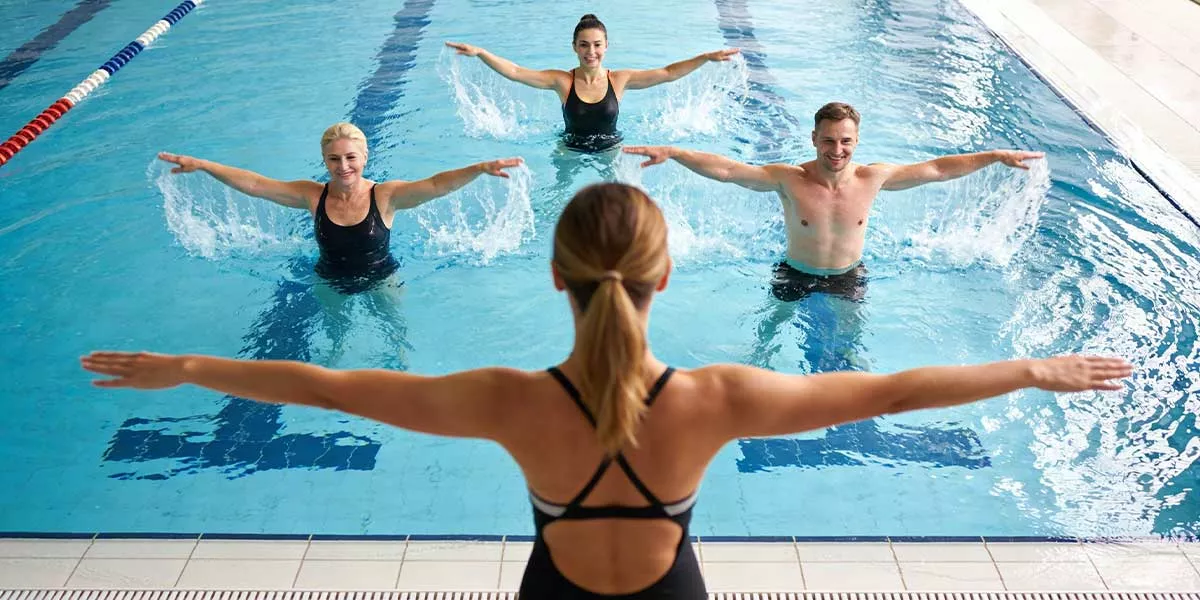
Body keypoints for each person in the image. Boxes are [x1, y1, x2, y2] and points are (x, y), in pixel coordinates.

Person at [82, 182, 1130, 599]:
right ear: (665, 278)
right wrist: (1032, 371)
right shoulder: (718, 397)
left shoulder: (506, 400)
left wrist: (185, 368)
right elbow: (890, 393)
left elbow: (334, 385)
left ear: (555, 275)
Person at [623, 101, 1045, 305]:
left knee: (849, 352)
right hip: (793, 273)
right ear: (814, 139)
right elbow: (730, 170)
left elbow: (935, 169)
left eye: (845, 141)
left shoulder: (873, 178)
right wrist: (676, 153)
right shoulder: (789, 179)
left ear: (857, 141)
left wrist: (994, 156)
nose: (837, 150)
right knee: (767, 337)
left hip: (848, 275)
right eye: (828, 140)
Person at [158, 122, 522, 295]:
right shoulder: (311, 195)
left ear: (364, 156)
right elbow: (255, 184)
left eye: (351, 157)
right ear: (324, 160)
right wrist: (206, 166)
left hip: (383, 278)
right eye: (334, 159)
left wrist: (478, 169)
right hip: (328, 279)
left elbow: (436, 185)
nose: (343, 166)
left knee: (397, 337)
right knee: (335, 342)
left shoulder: (386, 196)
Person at [446, 14, 739, 153]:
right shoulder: (562, 81)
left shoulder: (619, 80)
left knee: (615, 198)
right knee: (558, 199)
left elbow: (667, 72)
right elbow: (515, 71)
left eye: (597, 45)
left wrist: (704, 58)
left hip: (611, 146)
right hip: (568, 147)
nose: (591, 52)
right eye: (584, 45)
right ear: (574, 47)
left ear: (607, 46)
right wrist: (481, 53)